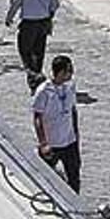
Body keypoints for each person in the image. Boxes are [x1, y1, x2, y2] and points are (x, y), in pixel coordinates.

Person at [6, 0, 60, 94]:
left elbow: (16, 2)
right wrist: (49, 16)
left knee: (25, 51)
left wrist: (9, 17)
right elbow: (54, 4)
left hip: (29, 23)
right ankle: (37, 75)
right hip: (44, 22)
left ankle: (33, 76)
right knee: (39, 51)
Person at [32, 55, 80, 192]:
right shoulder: (44, 91)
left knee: (74, 177)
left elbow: (72, 110)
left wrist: (76, 134)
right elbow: (37, 117)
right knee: (45, 178)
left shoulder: (70, 86)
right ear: (60, 72)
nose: (71, 73)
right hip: (52, 143)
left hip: (69, 142)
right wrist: (43, 143)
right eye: (69, 70)